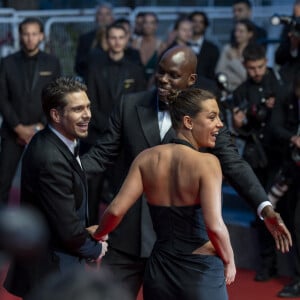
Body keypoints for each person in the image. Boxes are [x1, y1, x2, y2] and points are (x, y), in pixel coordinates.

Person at [81, 45, 292, 300]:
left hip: (182, 250)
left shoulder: (205, 114)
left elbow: (235, 164)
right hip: (129, 240)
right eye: (160, 72)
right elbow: (101, 155)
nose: (163, 79)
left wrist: (265, 207)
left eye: (172, 75)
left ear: (191, 79)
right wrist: (64, 169)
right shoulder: (129, 105)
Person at [88, 88, 235, 300]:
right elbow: (214, 226)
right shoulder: (208, 163)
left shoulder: (145, 158)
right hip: (200, 270)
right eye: (212, 117)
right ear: (188, 122)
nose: (220, 123)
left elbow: (116, 210)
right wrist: (229, 258)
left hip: (159, 270)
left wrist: (100, 234)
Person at [3, 77, 108, 299]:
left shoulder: (55, 140)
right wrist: (95, 249)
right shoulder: (50, 157)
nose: (88, 114)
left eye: (88, 107)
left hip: (52, 261)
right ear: (56, 115)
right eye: (78, 109)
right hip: (51, 270)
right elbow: (67, 230)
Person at [232, 43, 285, 281]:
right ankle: (267, 264)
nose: (257, 71)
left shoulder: (278, 82)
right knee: (263, 209)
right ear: (244, 66)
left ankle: (287, 265)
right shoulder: (241, 92)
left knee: (287, 209)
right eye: (252, 68)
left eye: (260, 66)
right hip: (256, 155)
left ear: (267, 61)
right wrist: (239, 121)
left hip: (281, 154)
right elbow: (238, 127)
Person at [85, 22, 146, 223]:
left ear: (127, 40)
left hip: (126, 138)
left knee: (123, 188)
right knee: (93, 188)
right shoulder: (94, 68)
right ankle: (90, 231)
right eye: (113, 37)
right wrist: (111, 129)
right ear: (106, 40)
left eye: (121, 37)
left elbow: (141, 104)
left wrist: (122, 131)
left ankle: (122, 235)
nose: (117, 41)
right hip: (98, 136)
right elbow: (89, 103)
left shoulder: (136, 70)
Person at [0, 17, 61, 206]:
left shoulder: (52, 62)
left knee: (41, 184)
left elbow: (56, 96)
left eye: (34, 34)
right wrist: (19, 128)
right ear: (20, 35)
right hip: (12, 132)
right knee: (2, 183)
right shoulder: (6, 62)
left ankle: (37, 229)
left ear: (41, 36)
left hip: (42, 132)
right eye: (26, 33)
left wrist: (39, 126)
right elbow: (1, 98)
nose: (30, 38)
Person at [270, 71, 300, 298]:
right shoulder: (288, 99)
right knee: (296, 223)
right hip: (294, 172)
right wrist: (293, 138)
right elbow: (275, 127)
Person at [74, 2, 114, 81]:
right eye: (100, 14)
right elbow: (78, 65)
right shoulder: (85, 39)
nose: (104, 17)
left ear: (112, 18)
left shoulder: (120, 38)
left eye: (107, 14)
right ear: (96, 17)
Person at [216, 19, 256, 92]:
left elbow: (250, 77)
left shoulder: (254, 52)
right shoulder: (227, 49)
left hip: (247, 92)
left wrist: (234, 61)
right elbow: (219, 73)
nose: (237, 34)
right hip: (226, 90)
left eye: (241, 31)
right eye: (236, 31)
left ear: (250, 34)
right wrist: (239, 80)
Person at [188, 11, 220, 80]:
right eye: (194, 21)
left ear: (205, 26)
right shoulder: (181, 46)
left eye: (201, 22)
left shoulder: (213, 49)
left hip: (205, 87)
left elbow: (213, 73)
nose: (197, 24)